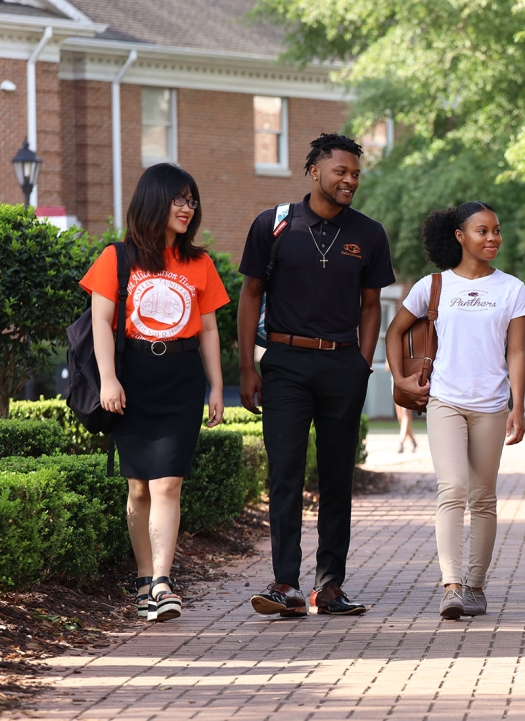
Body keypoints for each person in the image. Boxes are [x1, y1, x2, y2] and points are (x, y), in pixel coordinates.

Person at [238, 133, 396, 618]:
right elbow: (250, 296)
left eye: (355, 174)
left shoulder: (368, 233)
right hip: (284, 362)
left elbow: (372, 306)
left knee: (335, 478)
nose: (349, 180)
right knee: (284, 474)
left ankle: (329, 587)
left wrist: (362, 361)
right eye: (340, 172)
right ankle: (285, 583)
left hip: (341, 365)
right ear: (315, 172)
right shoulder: (274, 225)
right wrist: (247, 366)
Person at [80, 163, 229, 622]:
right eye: (179, 199)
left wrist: (217, 386)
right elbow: (101, 325)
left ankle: (163, 583)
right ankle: (145, 579)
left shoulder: (199, 262)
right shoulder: (117, 257)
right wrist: (108, 379)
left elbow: (207, 328)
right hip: (134, 375)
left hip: (182, 376)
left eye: (192, 200)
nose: (188, 208)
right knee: (139, 488)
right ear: (153, 201)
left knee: (168, 482)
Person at [385, 201, 525, 620]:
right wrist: (400, 379)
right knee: (452, 489)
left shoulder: (511, 288)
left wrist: (517, 406)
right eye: (482, 231)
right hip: (444, 401)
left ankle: (476, 586)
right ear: (459, 236)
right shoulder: (432, 286)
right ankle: (451, 586)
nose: (492, 239)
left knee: (483, 497)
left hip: (490, 405)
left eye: (497, 231)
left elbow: (517, 351)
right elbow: (394, 333)